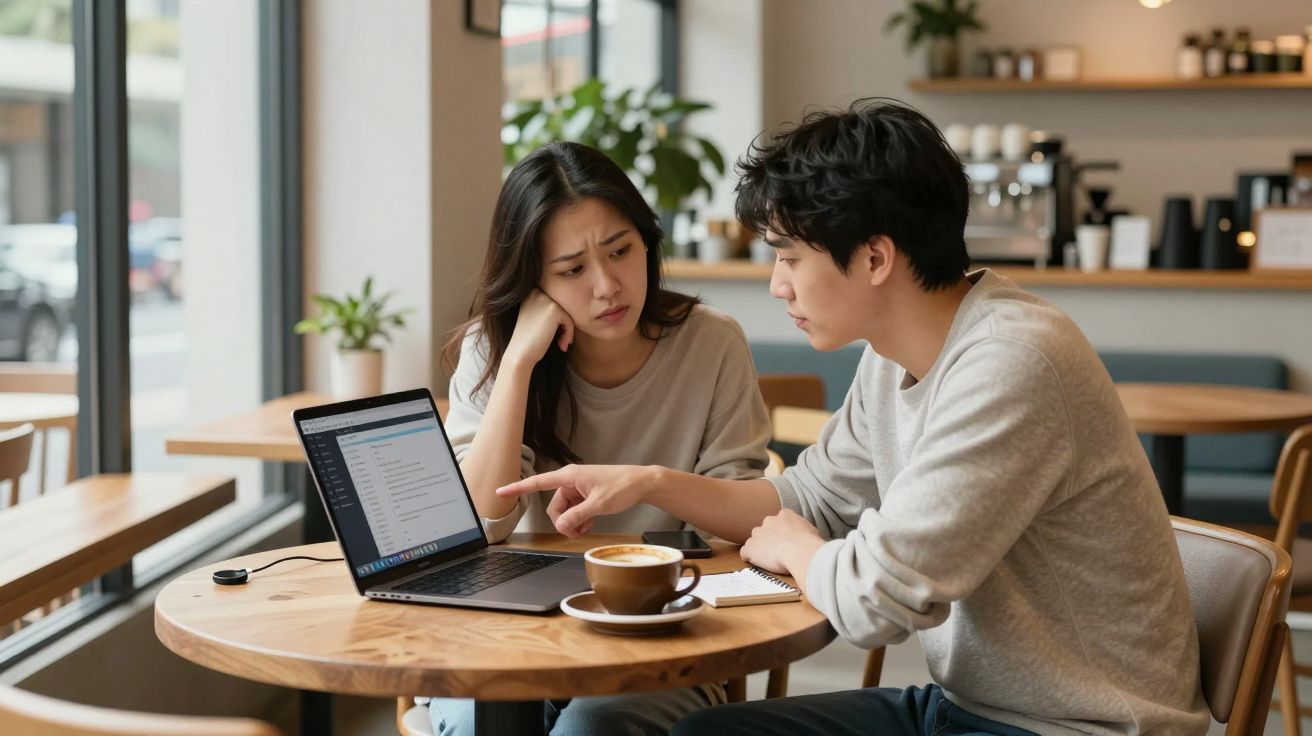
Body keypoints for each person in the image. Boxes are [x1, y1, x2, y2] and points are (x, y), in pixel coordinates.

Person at [498, 101, 1210, 735]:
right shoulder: (894, 354)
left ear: (874, 257)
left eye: (790, 258)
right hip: (971, 708)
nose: (777, 285)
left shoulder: (1010, 364)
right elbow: (809, 500)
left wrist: (801, 550)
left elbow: (875, 599)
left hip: (1077, 724)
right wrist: (651, 482)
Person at [429, 140, 770, 736]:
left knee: (598, 725)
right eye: (571, 270)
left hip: (662, 638)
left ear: (648, 242)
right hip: (511, 636)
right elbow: (478, 523)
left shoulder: (712, 343)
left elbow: (738, 525)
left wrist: (650, 486)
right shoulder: (496, 350)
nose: (608, 286)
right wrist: (516, 367)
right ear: (532, 280)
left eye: (621, 251)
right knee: (475, 721)